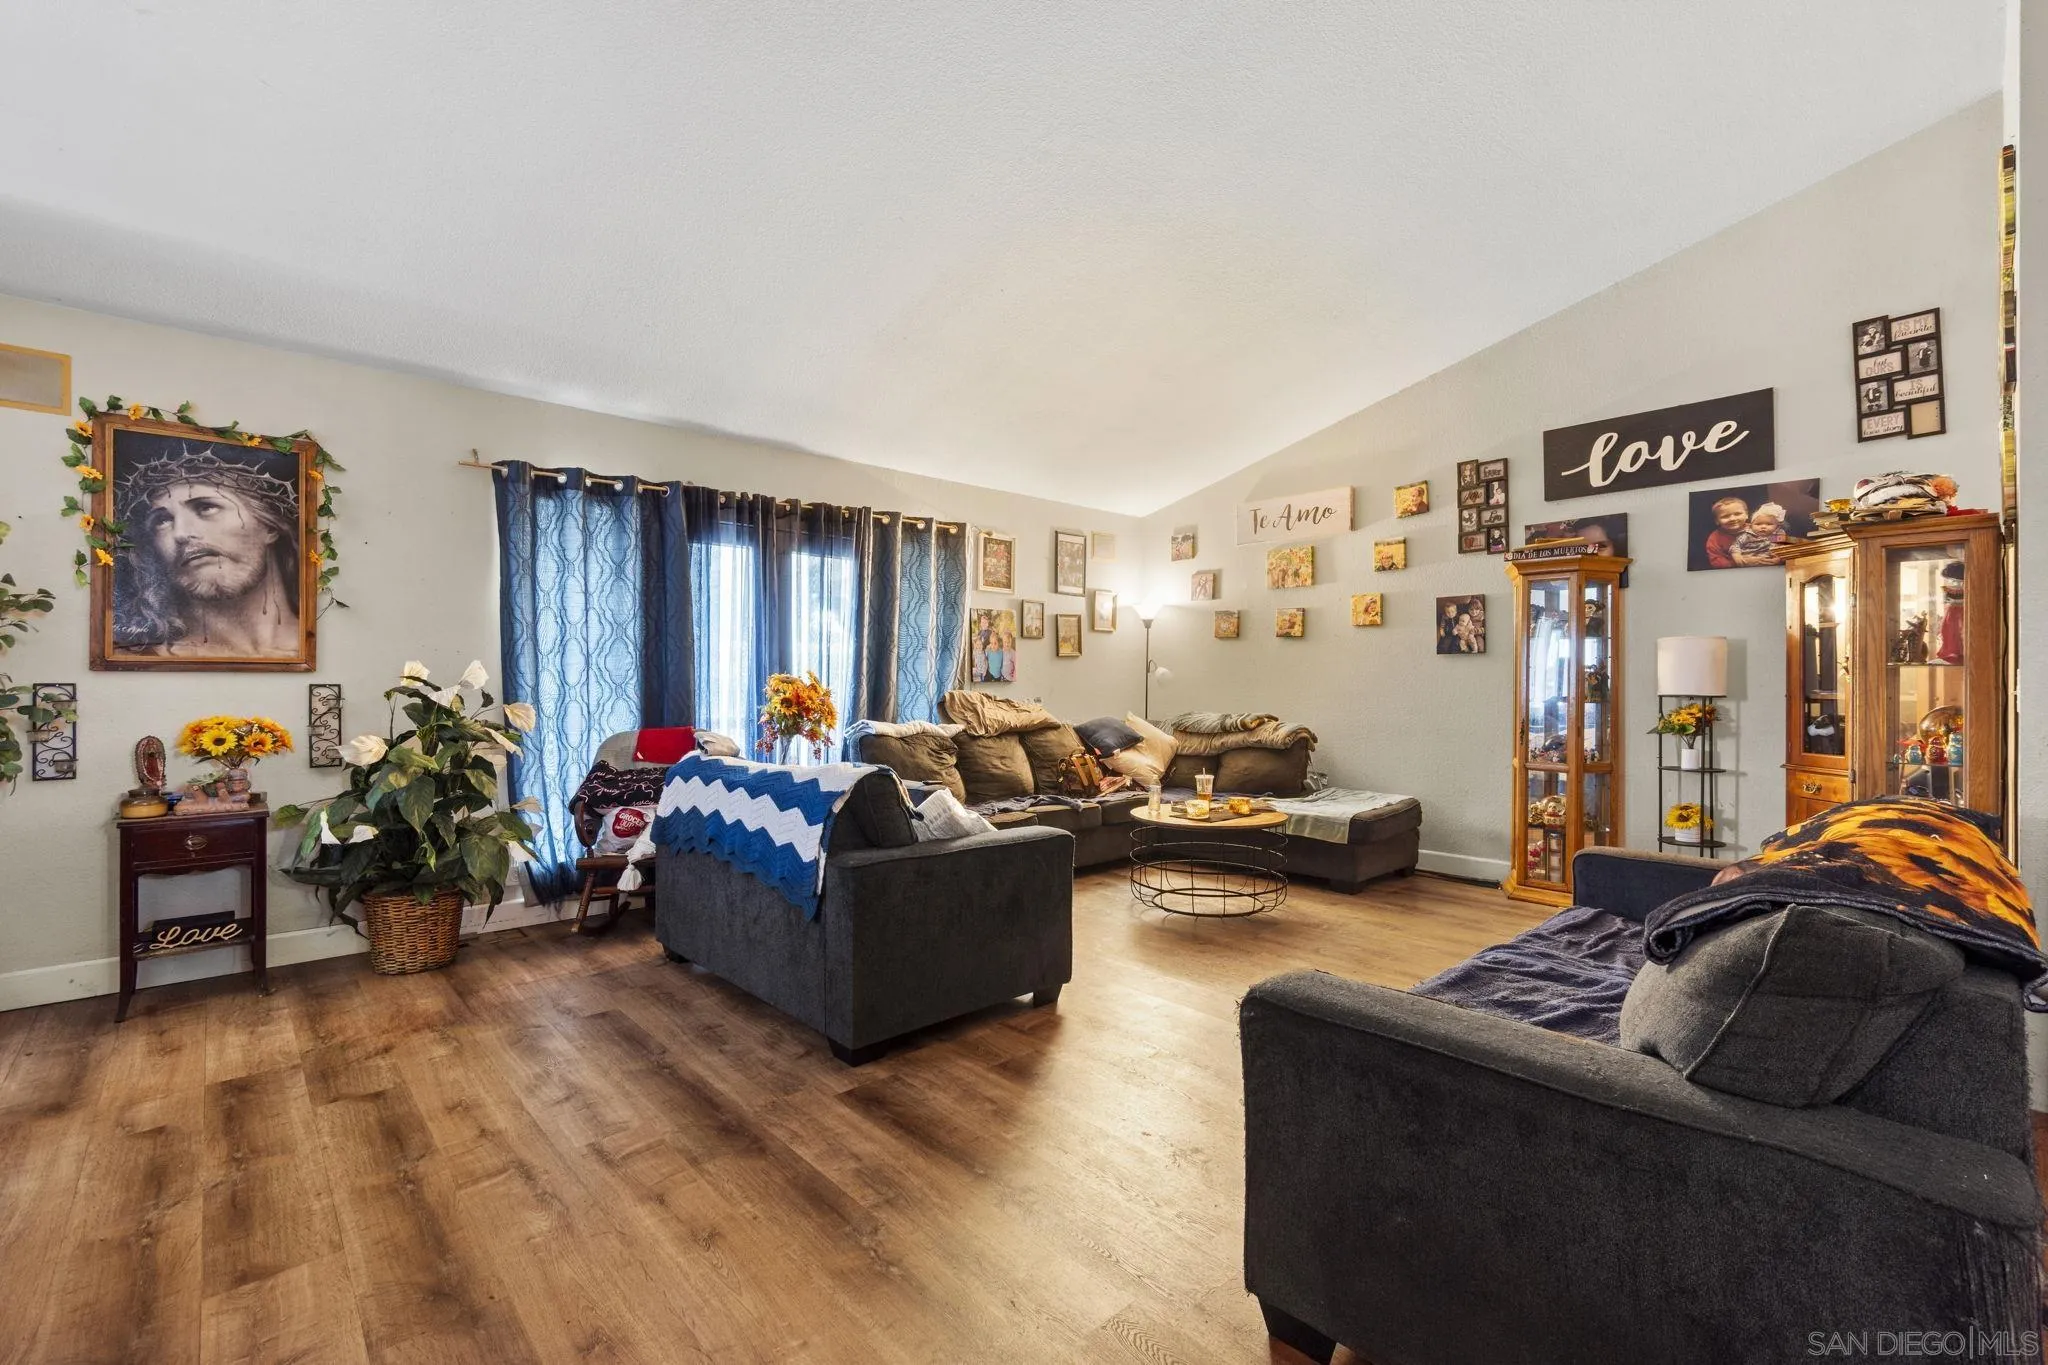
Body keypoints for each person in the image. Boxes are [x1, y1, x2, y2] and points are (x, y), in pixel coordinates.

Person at [116, 444, 302, 658]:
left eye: (206, 508)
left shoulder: (334, 651)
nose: (181, 533)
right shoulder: (138, 659)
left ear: (269, 526)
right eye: (162, 520)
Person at [1702, 496, 1751, 569]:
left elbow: (1773, 536)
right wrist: (1740, 562)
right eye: (1725, 516)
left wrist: (1774, 551)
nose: (1732, 519)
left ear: (1747, 515)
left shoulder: (1755, 528)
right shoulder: (1714, 538)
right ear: (1717, 521)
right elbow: (1716, 561)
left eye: (1737, 514)